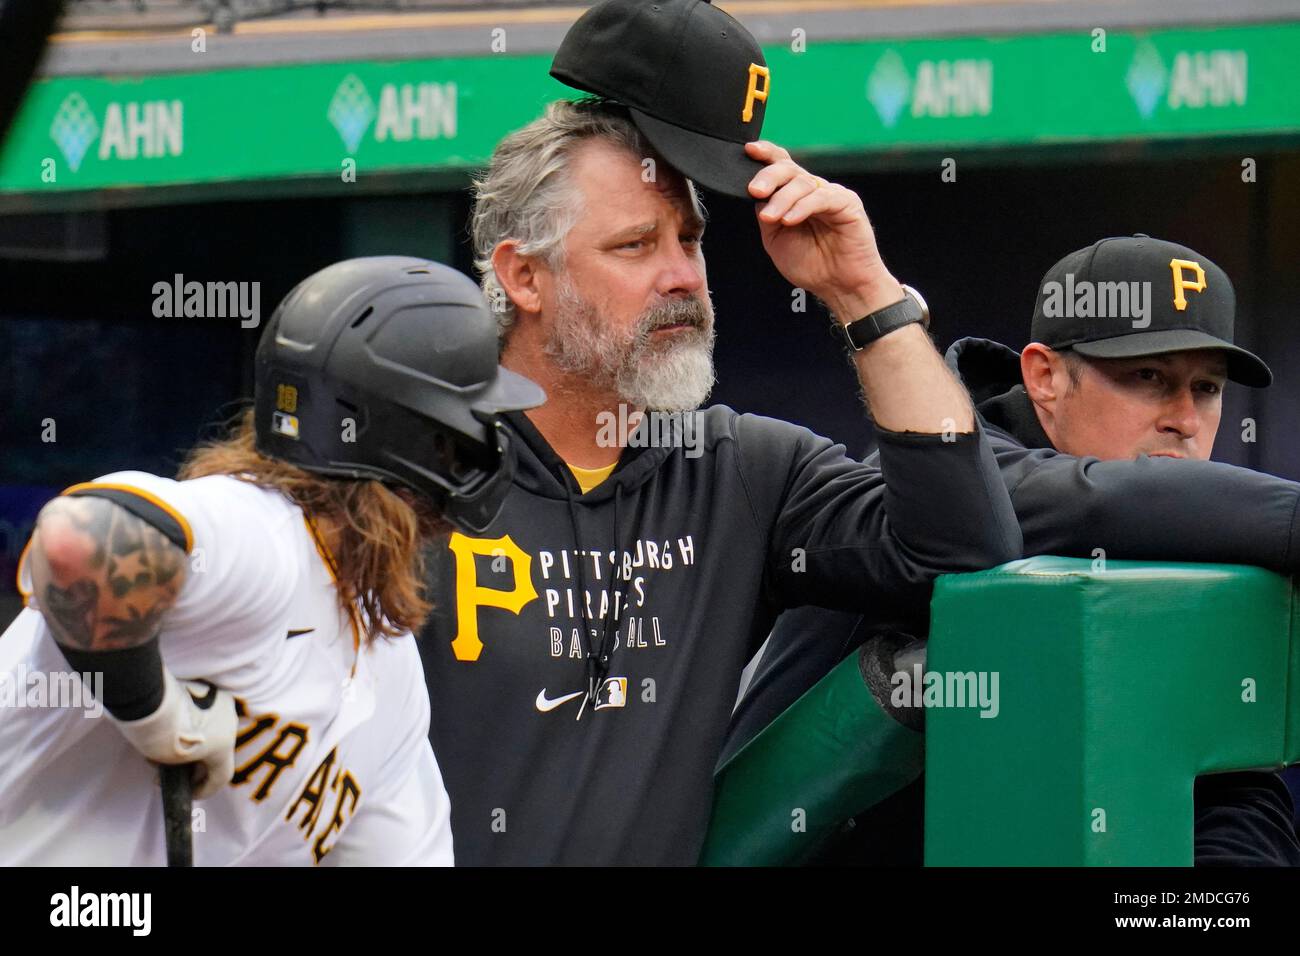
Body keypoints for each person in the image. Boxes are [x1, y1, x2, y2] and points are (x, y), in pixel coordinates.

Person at [415, 69, 1022, 864]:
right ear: (524, 275)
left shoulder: (743, 469)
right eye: (636, 245)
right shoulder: (411, 474)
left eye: (690, 240)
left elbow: (965, 549)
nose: (682, 277)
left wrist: (863, 293)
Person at [727, 235, 1300, 866]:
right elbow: (1095, 502)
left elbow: (1230, 780)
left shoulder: (1191, 538)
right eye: (1148, 377)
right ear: (1045, 377)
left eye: (1208, 388)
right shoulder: (941, 481)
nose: (1185, 419)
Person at [0, 256, 543, 866]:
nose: (487, 446)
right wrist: (158, 717)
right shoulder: (262, 533)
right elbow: (79, 542)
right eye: (472, 427)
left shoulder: (390, 671)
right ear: (422, 441)